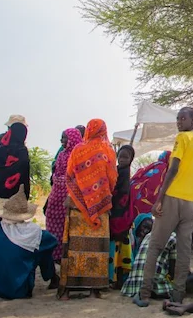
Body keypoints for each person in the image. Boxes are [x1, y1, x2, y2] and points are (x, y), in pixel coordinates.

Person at [134, 107, 193, 307]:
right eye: (178, 118)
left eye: (183, 118)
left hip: (174, 197)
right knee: (183, 250)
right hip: (191, 202)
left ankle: (144, 294)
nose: (179, 122)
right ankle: (178, 295)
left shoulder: (182, 138)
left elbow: (173, 168)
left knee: (155, 245)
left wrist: (160, 198)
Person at [59, 119, 118, 300]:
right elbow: (112, 178)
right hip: (100, 206)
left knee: (74, 247)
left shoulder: (77, 150)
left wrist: (81, 193)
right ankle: (95, 289)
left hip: (76, 205)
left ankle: (68, 290)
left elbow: (69, 176)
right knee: (97, 248)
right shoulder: (107, 151)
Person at [0, 186, 57, 298]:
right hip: (17, 290)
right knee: (43, 249)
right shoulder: (35, 233)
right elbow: (53, 241)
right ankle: (52, 277)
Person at [120, 214, 193, 298]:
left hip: (133, 287)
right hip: (155, 288)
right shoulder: (174, 238)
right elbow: (173, 273)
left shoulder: (149, 235)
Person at [45, 128, 82, 265]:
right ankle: (55, 254)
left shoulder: (79, 155)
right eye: (61, 138)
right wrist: (59, 180)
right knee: (53, 222)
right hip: (56, 196)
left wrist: (62, 180)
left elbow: (76, 177)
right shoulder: (61, 154)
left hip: (70, 197)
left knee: (68, 226)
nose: (61, 141)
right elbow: (57, 174)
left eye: (64, 138)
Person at [110, 145, 136, 288]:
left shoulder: (124, 173)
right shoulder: (118, 170)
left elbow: (122, 194)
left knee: (118, 250)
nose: (122, 159)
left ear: (131, 159)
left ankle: (118, 279)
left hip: (120, 215)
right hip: (119, 214)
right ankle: (117, 279)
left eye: (125, 157)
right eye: (120, 156)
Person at [129, 151, 171, 220]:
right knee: (142, 220)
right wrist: (157, 201)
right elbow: (155, 185)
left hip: (136, 192)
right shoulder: (162, 167)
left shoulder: (155, 164)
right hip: (143, 197)